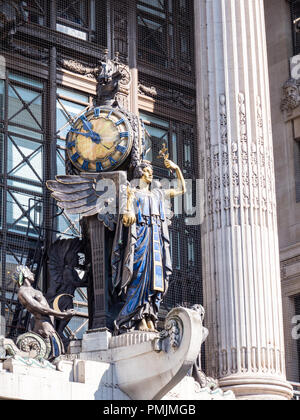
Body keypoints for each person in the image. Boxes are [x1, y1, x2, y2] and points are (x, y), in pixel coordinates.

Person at [112, 158, 186, 334]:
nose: (150, 173)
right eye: (146, 170)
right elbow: (126, 220)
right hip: (140, 241)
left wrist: (176, 169)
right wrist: (128, 206)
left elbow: (182, 189)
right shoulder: (132, 193)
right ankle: (136, 318)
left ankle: (150, 316)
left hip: (156, 242)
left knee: (155, 280)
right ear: (140, 173)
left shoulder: (158, 194)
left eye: (151, 170)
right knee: (138, 277)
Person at [14, 265, 75, 356]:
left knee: (55, 353)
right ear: (24, 274)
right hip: (44, 327)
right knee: (54, 355)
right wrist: (62, 314)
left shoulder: (32, 290)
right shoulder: (23, 291)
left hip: (48, 325)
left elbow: (45, 308)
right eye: (30, 271)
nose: (32, 273)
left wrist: (62, 314)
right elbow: (39, 308)